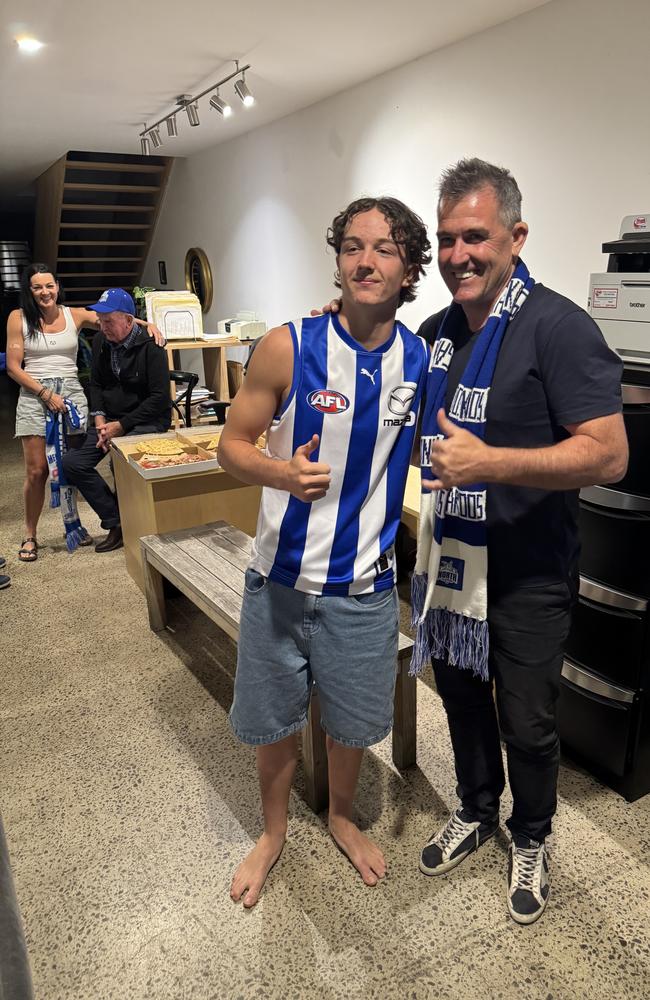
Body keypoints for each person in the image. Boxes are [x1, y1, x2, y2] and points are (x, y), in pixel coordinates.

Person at [411, 158, 627, 925]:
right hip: (451, 562)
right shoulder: (437, 336)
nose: (459, 255)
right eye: (446, 239)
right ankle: (476, 808)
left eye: (476, 236)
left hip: (529, 571)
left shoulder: (559, 326)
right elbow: (415, 438)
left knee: (528, 719)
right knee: (462, 701)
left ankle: (531, 832)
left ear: (516, 235)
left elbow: (608, 452)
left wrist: (491, 461)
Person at [218, 196, 431, 908]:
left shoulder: (419, 359)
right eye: (354, 246)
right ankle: (272, 832)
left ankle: (341, 815)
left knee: (350, 722)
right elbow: (229, 446)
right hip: (278, 579)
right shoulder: (289, 345)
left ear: (409, 269)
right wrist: (280, 472)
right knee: (273, 722)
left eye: (387, 249)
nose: (367, 261)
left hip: (365, 589)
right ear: (338, 258)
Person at [6, 265, 165, 561]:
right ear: (29, 291)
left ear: (57, 286)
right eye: (37, 287)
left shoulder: (75, 314)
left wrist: (148, 325)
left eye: (49, 285)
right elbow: (14, 365)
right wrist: (46, 394)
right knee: (38, 469)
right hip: (34, 392)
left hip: (70, 394)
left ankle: (75, 525)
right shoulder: (18, 317)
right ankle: (30, 534)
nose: (44, 292)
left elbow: (116, 318)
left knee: (69, 464)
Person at [62, 289, 172, 552]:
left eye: (109, 321)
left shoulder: (151, 345)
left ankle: (134, 522)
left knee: (119, 462)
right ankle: (118, 521)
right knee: (72, 463)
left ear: (128, 320)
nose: (103, 326)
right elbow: (97, 384)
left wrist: (121, 427)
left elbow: (159, 399)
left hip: (145, 420)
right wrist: (100, 419)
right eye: (100, 320)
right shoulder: (101, 340)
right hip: (110, 420)